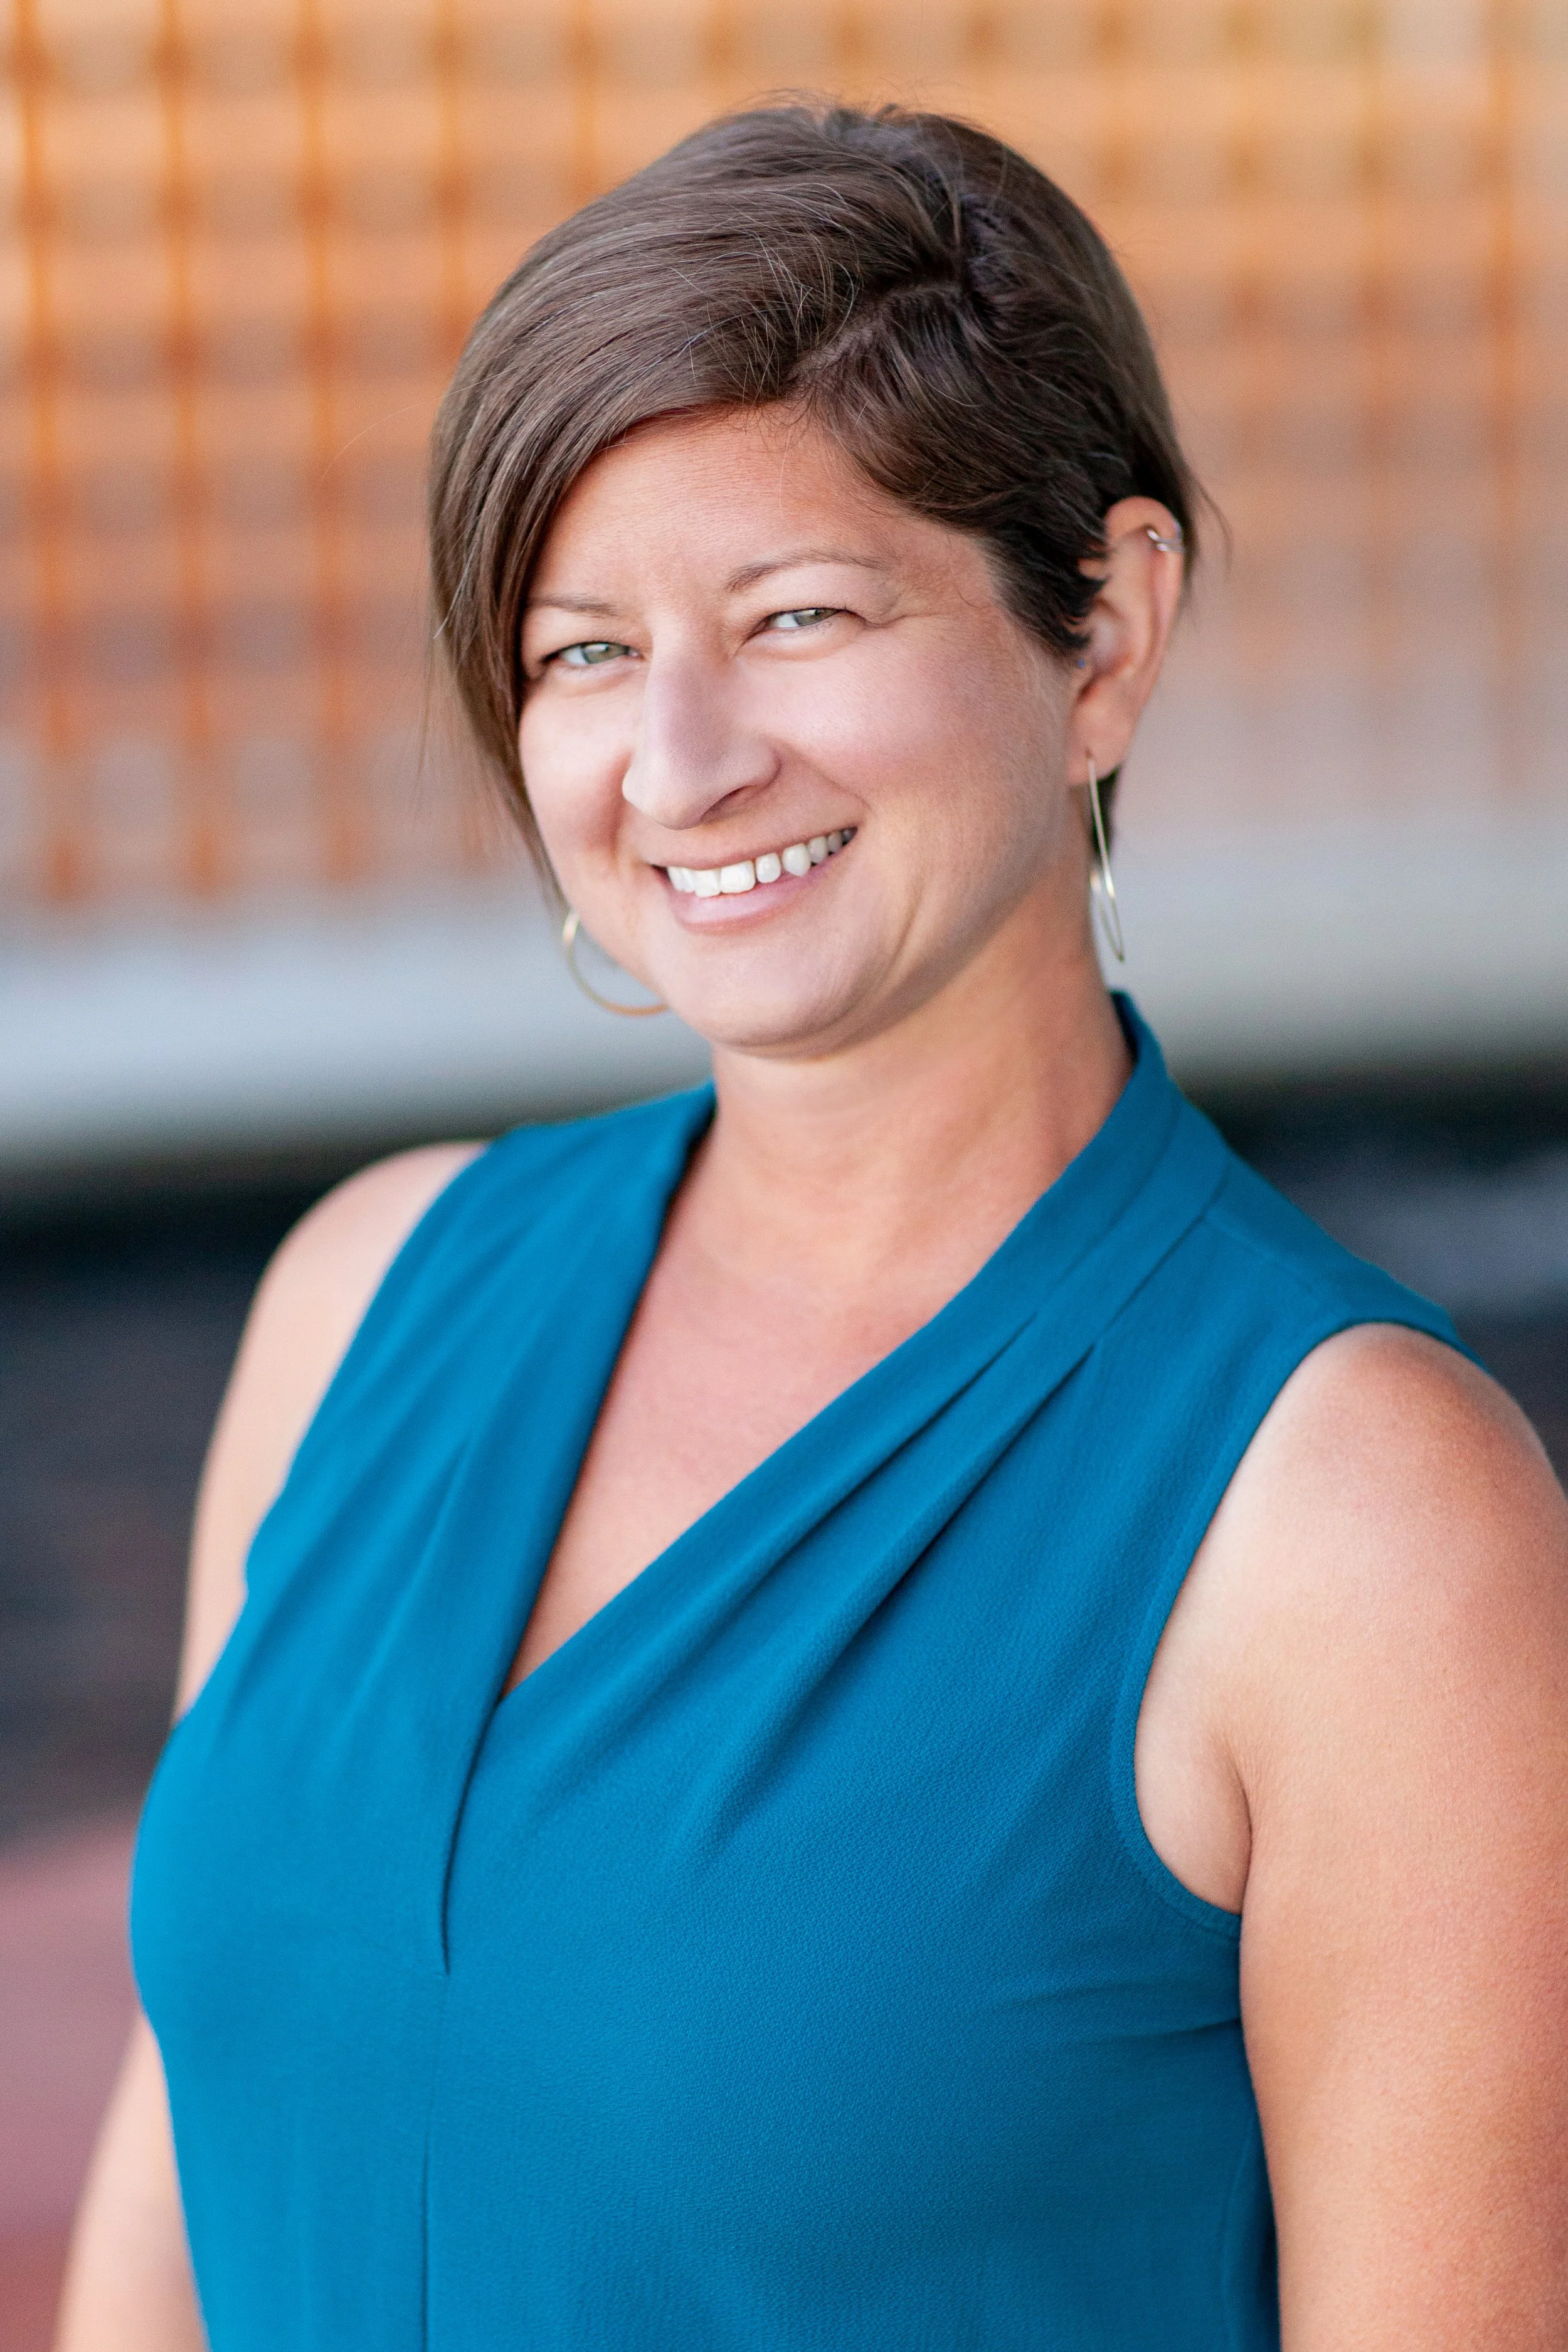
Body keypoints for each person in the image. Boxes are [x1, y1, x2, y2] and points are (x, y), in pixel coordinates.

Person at [58, 103, 1568, 2352]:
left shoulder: (1360, 1515)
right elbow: (176, 2206)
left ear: (1105, 636)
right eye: (581, 651)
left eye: (795, 614)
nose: (677, 759)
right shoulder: (365, 1294)